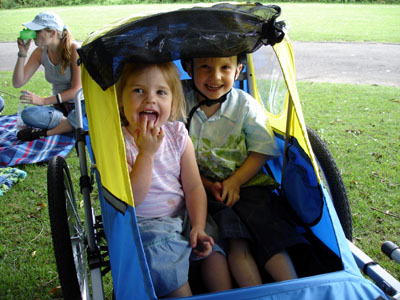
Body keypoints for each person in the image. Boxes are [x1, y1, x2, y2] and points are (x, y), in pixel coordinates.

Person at [182, 55, 309, 285]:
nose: (215, 76)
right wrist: (205, 184)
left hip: (247, 185)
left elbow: (262, 149)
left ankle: (295, 289)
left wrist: (236, 181)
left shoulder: (245, 104)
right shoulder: (180, 105)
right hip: (201, 190)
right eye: (205, 67)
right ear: (188, 67)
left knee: (268, 236)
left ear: (238, 70)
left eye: (225, 68)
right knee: (236, 243)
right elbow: (174, 156)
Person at [116, 61, 232, 297]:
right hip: (147, 224)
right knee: (163, 260)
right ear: (120, 99)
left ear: (172, 101)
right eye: (138, 90)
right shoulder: (119, 142)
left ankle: (226, 294)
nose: (150, 99)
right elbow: (133, 199)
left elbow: (194, 187)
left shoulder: (177, 135)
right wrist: (146, 154)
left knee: (213, 249)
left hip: (185, 214)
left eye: (161, 92)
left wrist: (198, 226)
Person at [12, 11, 82, 141]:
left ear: (53, 33)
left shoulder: (74, 50)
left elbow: (76, 90)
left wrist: (43, 101)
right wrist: (22, 54)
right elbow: (17, 82)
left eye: (36, 31)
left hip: (79, 105)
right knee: (27, 115)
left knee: (86, 113)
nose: (32, 34)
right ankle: (71, 124)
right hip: (58, 110)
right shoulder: (40, 52)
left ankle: (48, 132)